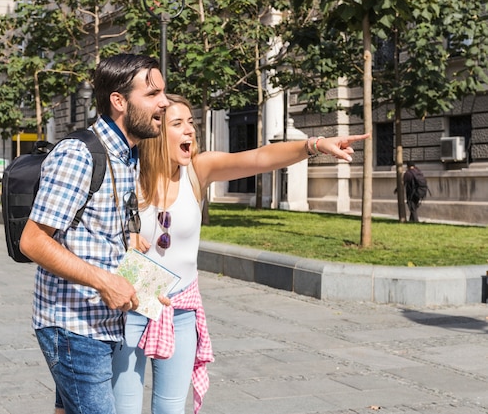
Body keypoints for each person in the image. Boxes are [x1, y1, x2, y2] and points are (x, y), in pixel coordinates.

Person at [111, 94, 370, 414]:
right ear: (156, 132)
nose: (190, 131)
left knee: (171, 408)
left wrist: (314, 145)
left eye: (191, 122)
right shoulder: (127, 177)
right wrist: (125, 239)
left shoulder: (197, 170)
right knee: (122, 408)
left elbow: (260, 157)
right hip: (134, 301)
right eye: (177, 124)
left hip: (181, 305)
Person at [18, 54, 169, 414]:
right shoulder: (79, 155)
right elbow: (33, 241)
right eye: (152, 93)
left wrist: (143, 288)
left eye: (163, 92)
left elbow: (101, 240)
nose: (164, 101)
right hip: (72, 327)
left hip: (98, 325)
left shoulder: (126, 156)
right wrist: (104, 282)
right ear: (119, 101)